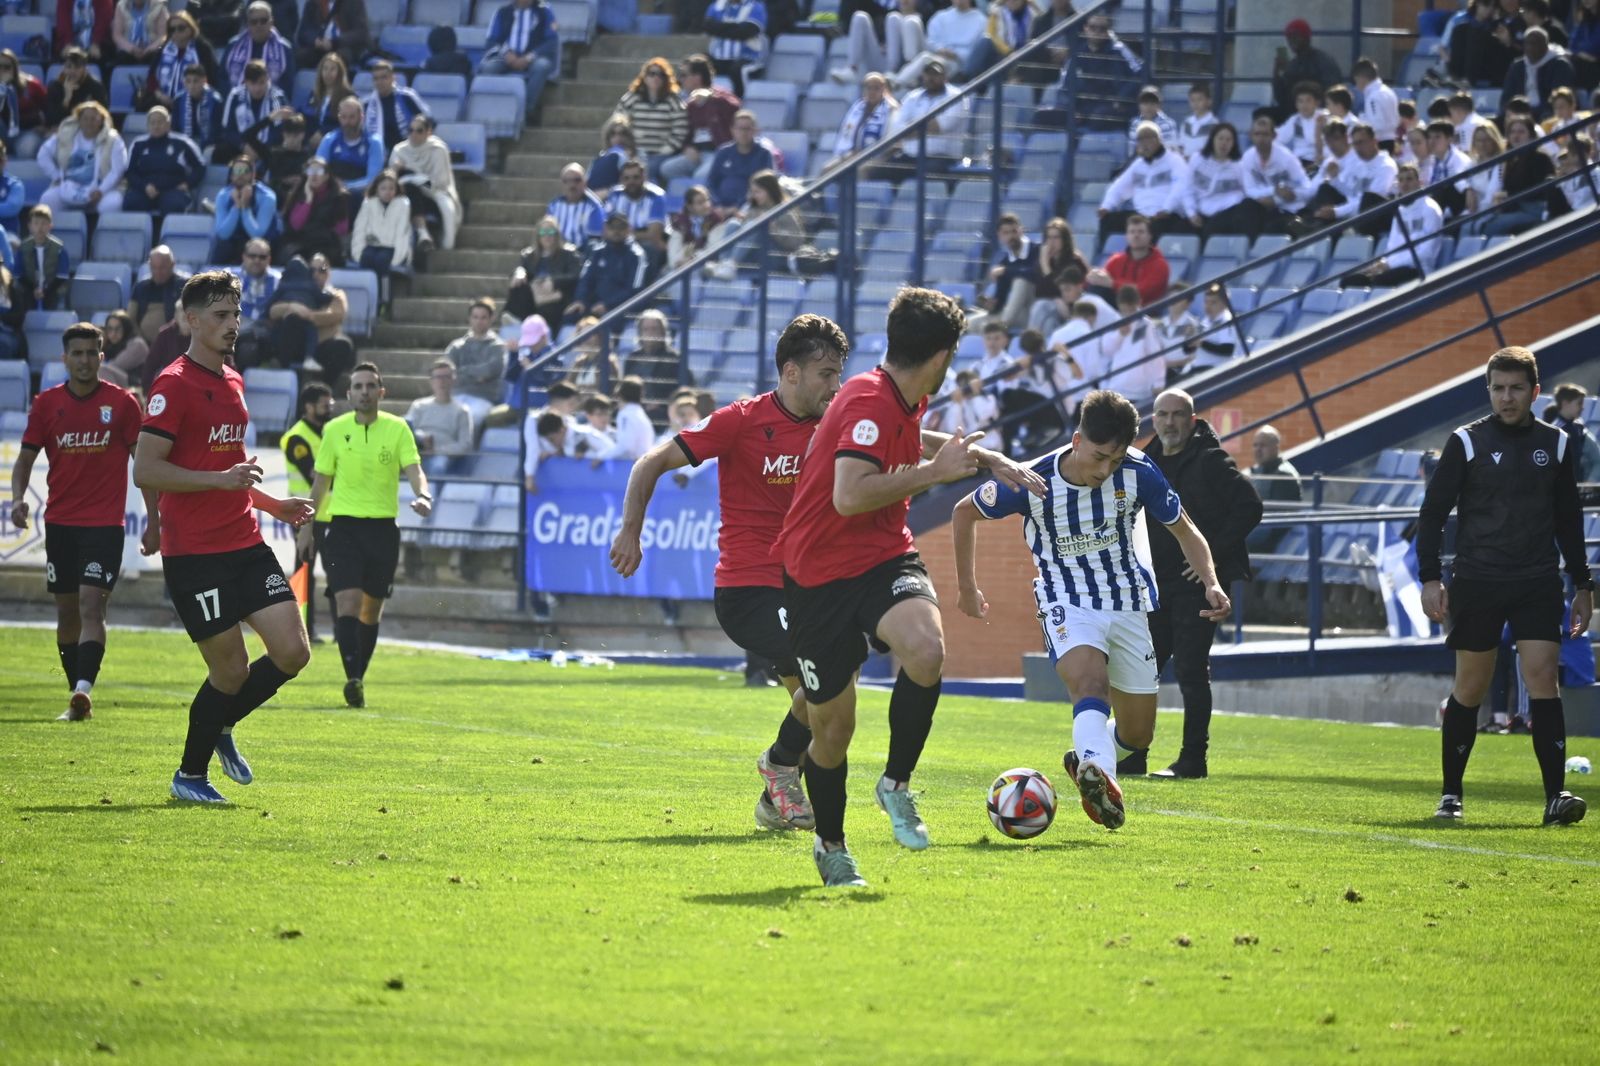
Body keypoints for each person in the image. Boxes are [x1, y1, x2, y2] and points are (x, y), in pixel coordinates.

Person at [773, 287, 1045, 886]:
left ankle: (895, 785)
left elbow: (904, 435)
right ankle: (830, 844)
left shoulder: (898, 394)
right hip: (817, 576)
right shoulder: (869, 399)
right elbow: (848, 495)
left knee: (925, 650)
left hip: (883, 556)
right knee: (833, 731)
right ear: (942, 355)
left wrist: (985, 456)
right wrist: (934, 474)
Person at [954, 389, 1230, 829]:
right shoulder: (1032, 479)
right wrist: (967, 588)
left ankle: (1088, 758)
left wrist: (1212, 582)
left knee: (1138, 735)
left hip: (1127, 601)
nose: (1106, 470)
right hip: (1066, 599)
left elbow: (1185, 529)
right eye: (1100, 456)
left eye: (1116, 460)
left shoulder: (1140, 473)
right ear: (1077, 439)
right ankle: (1099, 775)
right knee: (1089, 682)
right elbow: (963, 512)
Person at [610, 314, 844, 830]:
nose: (836, 384)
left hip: (804, 587)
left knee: (821, 705)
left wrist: (977, 457)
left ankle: (774, 800)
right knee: (831, 674)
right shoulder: (740, 420)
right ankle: (781, 767)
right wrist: (631, 530)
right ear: (791, 373)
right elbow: (649, 462)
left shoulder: (836, 422)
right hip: (749, 589)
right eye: (826, 373)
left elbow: (907, 432)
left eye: (839, 372)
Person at [132, 270, 314, 804]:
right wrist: (217, 481)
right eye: (220, 315)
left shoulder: (232, 379)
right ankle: (189, 776)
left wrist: (274, 504)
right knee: (230, 670)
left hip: (245, 542)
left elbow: (230, 468)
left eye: (236, 314)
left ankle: (221, 723)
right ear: (191, 320)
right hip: (197, 555)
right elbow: (146, 469)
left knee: (293, 653)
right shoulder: (172, 384)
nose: (233, 325)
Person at [1418, 346, 1590, 825]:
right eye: (1498, 388)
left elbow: (1568, 520)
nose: (1507, 397)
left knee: (1543, 677)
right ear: (1488, 390)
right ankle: (1451, 796)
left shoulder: (1555, 443)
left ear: (1535, 392)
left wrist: (1582, 583)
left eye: (1516, 388)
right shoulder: (1466, 442)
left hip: (1537, 579)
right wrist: (1430, 577)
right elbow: (1432, 514)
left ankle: (1556, 796)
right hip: (1477, 581)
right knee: (1471, 687)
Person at [10, 322, 144, 721]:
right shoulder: (48, 404)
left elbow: (145, 466)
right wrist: (17, 499)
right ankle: (76, 693)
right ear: (64, 358)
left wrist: (157, 519)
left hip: (105, 525)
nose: (85, 360)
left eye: (92, 353)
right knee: (66, 612)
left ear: (102, 357)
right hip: (60, 525)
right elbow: (24, 461)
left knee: (90, 606)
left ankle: (85, 688)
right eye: (78, 353)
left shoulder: (122, 405)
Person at [1139, 388, 1262, 778]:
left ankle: (1193, 759)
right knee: (1141, 670)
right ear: (1153, 420)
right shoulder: (1145, 461)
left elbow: (1250, 506)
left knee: (1191, 669)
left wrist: (1212, 557)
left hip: (1197, 585)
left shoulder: (1211, 460)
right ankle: (1130, 753)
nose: (1170, 422)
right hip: (1155, 584)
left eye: (1178, 415)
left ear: (1192, 420)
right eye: (1163, 415)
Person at [298, 361, 430, 709]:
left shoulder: (398, 428)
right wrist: (306, 527)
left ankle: (357, 676)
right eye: (358, 386)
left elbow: (414, 469)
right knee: (348, 602)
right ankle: (352, 677)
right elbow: (320, 482)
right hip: (343, 528)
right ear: (349, 394)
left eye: (371, 386)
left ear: (381, 392)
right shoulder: (334, 430)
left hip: (383, 529)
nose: (365, 392)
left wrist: (423, 494)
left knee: (371, 611)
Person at [280, 380, 333, 641]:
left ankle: (340, 633)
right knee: (304, 574)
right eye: (324, 406)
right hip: (305, 517)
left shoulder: (329, 433)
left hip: (333, 515)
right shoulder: (297, 437)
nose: (329, 409)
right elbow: (314, 475)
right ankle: (301, 631)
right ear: (308, 407)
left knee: (337, 575)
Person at [1342, 164, 1444, 288]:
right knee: (1350, 280)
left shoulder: (1430, 209)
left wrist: (1390, 264)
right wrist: (1383, 263)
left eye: (1409, 179)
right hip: (1394, 266)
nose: (1404, 184)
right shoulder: (1400, 210)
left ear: (1420, 182)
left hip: (1418, 268)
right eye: (1401, 180)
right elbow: (1392, 246)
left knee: (1379, 281)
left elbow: (1426, 253)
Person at [1039, 9, 1141, 132]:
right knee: (1042, 117)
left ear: (1108, 32)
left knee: (1099, 117)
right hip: (1082, 107)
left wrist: (1121, 99)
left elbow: (1140, 73)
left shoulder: (1118, 50)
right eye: (1093, 27)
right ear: (1085, 29)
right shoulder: (1077, 54)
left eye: (1102, 29)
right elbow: (1065, 85)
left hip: (1110, 106)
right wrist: (1073, 109)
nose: (1097, 32)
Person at [1097, 122, 1188, 246]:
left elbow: (1181, 187)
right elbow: (1118, 187)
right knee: (1108, 220)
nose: (1144, 143)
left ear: (1158, 139)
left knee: (1154, 227)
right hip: (1142, 215)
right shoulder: (1138, 164)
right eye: (1140, 139)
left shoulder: (1174, 160)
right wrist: (1106, 206)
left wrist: (1167, 208)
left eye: (1148, 138)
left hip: (1166, 215)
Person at [659, 54, 740, 184]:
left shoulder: (721, 97)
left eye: (684, 75)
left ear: (697, 77)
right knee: (667, 169)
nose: (681, 79)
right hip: (696, 153)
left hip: (717, 154)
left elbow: (736, 107)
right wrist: (687, 147)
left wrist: (712, 98)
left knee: (700, 175)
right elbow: (685, 133)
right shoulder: (690, 104)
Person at [39, 101, 126, 216]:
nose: (89, 122)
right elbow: (43, 154)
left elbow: (118, 170)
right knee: (48, 199)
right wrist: (56, 176)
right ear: (79, 120)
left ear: (101, 120)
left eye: (94, 119)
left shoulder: (114, 140)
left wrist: (101, 190)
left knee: (111, 204)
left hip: (104, 189)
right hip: (68, 185)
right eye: (85, 118)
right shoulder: (65, 134)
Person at [479, 0, 560, 122]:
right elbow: (491, 41)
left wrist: (529, 57)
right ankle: (496, 111)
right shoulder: (502, 12)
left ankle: (526, 109)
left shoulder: (545, 10)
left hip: (533, 57)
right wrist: (506, 54)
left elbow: (552, 41)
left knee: (542, 66)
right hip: (505, 56)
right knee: (488, 68)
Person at [387, 114, 458, 251]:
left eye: (419, 131)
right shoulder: (400, 150)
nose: (414, 134)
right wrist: (395, 170)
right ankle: (422, 234)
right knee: (408, 188)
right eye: (410, 130)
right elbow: (390, 182)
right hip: (406, 198)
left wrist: (414, 177)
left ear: (428, 132)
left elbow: (440, 184)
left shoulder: (438, 150)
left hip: (434, 196)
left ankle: (423, 234)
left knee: (410, 184)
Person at [565, 212, 648, 327]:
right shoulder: (597, 251)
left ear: (629, 229)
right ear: (606, 229)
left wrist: (607, 304)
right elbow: (586, 279)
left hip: (621, 308)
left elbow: (634, 290)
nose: (616, 231)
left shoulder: (637, 255)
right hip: (594, 305)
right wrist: (580, 300)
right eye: (612, 227)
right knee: (569, 317)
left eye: (621, 227)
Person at [1179, 122, 1259, 240]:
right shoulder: (1197, 159)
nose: (1224, 143)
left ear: (1233, 143)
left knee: (1212, 231)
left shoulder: (1238, 166)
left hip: (1227, 213)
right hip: (1200, 211)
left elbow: (1248, 190)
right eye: (1220, 138)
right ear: (1212, 140)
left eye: (1228, 140)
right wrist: (1192, 213)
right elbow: (1187, 189)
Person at [123, 105, 205, 216]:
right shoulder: (138, 144)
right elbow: (130, 172)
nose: (156, 126)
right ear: (147, 125)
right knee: (131, 203)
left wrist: (187, 184)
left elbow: (200, 166)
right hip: (145, 190)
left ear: (168, 124)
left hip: (173, 189)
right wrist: (144, 186)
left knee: (174, 205)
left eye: (160, 122)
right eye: (153, 123)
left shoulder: (182, 142)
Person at [1480, 115, 1555, 235]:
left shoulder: (1540, 157)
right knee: (1475, 223)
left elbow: (1537, 190)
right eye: (1512, 132)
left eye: (1521, 132)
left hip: (1534, 209)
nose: (1516, 136)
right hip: (1516, 207)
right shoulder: (1510, 159)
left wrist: (1508, 195)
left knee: (1492, 227)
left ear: (1530, 135)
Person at [349, 168, 411, 310]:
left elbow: (403, 232)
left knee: (382, 262)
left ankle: (384, 301)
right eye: (383, 188)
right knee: (367, 259)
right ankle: (367, 301)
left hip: (390, 247)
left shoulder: (403, 204)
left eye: (391, 188)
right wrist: (358, 252)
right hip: (371, 245)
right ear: (376, 189)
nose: (387, 192)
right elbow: (360, 228)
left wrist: (398, 257)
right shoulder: (368, 204)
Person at [616, 58, 687, 178]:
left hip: (661, 155)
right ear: (644, 77)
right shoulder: (631, 99)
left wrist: (664, 151)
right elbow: (618, 124)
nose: (656, 78)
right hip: (634, 152)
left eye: (660, 75)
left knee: (648, 169)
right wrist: (628, 148)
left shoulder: (673, 101)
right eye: (652, 74)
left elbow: (680, 130)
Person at [1243, 111, 1313, 231]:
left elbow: (1307, 188)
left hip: (1291, 210)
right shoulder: (1248, 157)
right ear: (1251, 136)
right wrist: (1273, 191)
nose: (1261, 139)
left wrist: (1283, 198)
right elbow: (1248, 190)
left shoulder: (1287, 158)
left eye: (1265, 134)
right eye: (1257, 134)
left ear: (1274, 136)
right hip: (1264, 208)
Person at [442, 297, 507, 427]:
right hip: (456, 396)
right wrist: (476, 374)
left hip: (482, 399)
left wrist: (462, 371)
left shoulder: (498, 347)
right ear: (469, 318)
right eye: (475, 317)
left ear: (491, 319)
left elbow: (490, 371)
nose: (479, 321)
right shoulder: (456, 346)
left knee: (470, 421)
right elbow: (446, 372)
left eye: (483, 317)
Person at [507, 214, 581, 323]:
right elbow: (521, 268)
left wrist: (553, 281)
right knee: (518, 284)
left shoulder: (569, 253)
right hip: (535, 294)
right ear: (538, 236)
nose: (547, 236)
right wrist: (519, 272)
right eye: (543, 232)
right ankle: (513, 317)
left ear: (557, 234)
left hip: (555, 296)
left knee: (547, 307)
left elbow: (575, 274)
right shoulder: (529, 255)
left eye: (551, 232)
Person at [406, 357, 474, 476]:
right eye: (438, 377)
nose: (442, 382)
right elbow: (406, 430)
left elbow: (465, 445)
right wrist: (421, 439)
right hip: (417, 452)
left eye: (446, 377)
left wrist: (437, 450)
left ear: (454, 380)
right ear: (431, 381)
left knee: (438, 466)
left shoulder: (462, 411)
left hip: (442, 456)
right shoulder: (419, 406)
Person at [315, 94, 384, 211]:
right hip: (331, 190)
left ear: (361, 117)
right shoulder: (329, 139)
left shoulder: (373, 142)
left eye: (352, 117)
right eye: (344, 117)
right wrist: (334, 186)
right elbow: (317, 170)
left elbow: (373, 179)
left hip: (358, 194)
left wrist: (345, 187)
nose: (347, 122)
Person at [622, 308, 689, 425]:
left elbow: (685, 390)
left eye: (654, 329)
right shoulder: (632, 358)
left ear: (663, 332)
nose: (650, 333)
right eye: (646, 329)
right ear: (640, 333)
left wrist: (662, 403)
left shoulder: (675, 359)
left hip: (663, 413)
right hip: (635, 410)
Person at [276, 155, 347, 264]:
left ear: (326, 176)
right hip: (299, 244)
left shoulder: (338, 197)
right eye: (310, 170)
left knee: (321, 263)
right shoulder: (296, 195)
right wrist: (308, 201)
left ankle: (322, 278)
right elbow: (296, 225)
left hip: (326, 247)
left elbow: (341, 229)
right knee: (294, 260)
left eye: (318, 171)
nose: (314, 174)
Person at [604, 158, 668, 279]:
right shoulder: (615, 194)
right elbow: (605, 227)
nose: (631, 182)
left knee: (648, 248)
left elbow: (653, 235)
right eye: (626, 178)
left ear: (644, 177)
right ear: (621, 180)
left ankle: (643, 290)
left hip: (645, 242)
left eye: (635, 177)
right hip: (620, 238)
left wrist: (624, 235)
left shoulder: (657, 197)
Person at [1271, 19, 1342, 122]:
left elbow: (1332, 90)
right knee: (1262, 114)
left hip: (1317, 111)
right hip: (1293, 111)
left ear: (1306, 37)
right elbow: (1281, 98)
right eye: (1289, 38)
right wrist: (1277, 73)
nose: (1292, 41)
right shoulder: (1292, 64)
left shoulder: (1323, 60)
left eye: (1296, 36)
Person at [212, 154, 278, 264]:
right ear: (231, 175)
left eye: (245, 171)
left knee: (258, 248)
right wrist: (236, 206)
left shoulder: (267, 196)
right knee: (222, 246)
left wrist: (245, 207)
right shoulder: (223, 195)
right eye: (237, 171)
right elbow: (223, 233)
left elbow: (257, 234)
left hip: (260, 245)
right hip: (232, 242)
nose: (240, 175)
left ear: (253, 175)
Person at [1502, 27, 1579, 119]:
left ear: (1545, 45)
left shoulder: (1560, 65)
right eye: (1527, 43)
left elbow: (1559, 98)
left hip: (1547, 114)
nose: (1530, 47)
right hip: (1521, 113)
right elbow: (1506, 97)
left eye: (1534, 43)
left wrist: (1532, 113)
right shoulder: (1517, 66)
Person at [220, 58, 291, 158]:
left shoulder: (277, 97)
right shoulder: (235, 96)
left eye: (261, 83)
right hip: (241, 147)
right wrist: (243, 146)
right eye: (253, 83)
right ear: (245, 82)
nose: (257, 88)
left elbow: (280, 132)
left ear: (268, 79)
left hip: (268, 150)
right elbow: (228, 131)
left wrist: (259, 150)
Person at [978, 212, 1038, 331]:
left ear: (1021, 231)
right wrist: (992, 305)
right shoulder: (1004, 263)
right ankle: (999, 327)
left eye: (1014, 231)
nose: (1011, 236)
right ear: (1000, 236)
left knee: (1021, 281)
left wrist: (1006, 271)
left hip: (1035, 310)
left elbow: (1034, 273)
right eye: (1006, 233)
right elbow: (1001, 298)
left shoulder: (1037, 250)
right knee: (969, 323)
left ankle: (1001, 326)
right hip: (1016, 315)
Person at [707, 108, 774, 209]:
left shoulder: (764, 154)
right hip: (719, 208)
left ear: (755, 131)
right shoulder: (723, 152)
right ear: (732, 130)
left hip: (750, 207)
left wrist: (738, 207)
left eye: (747, 128)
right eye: (739, 128)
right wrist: (718, 205)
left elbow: (765, 186)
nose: (743, 133)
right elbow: (711, 182)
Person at [224, 2, 296, 94]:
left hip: (272, 104)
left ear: (271, 22)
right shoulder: (233, 46)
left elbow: (287, 85)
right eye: (254, 22)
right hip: (237, 102)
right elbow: (223, 78)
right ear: (248, 24)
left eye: (263, 21)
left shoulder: (284, 49)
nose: (259, 25)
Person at [1102, 214, 1170, 307]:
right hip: (1116, 310)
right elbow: (1102, 280)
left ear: (1150, 236)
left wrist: (1113, 283)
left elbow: (1142, 292)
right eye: (1132, 232)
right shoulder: (1115, 260)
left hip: (1146, 314)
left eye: (1141, 232)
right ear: (1126, 236)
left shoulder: (1160, 265)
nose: (1136, 235)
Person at [14, 206, 72, 314]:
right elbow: (18, 274)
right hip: (29, 290)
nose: (40, 227)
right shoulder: (23, 248)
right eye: (36, 223)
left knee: (55, 297)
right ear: (29, 226)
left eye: (44, 223)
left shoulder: (59, 249)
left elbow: (62, 276)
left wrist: (45, 290)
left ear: (50, 226)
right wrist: (33, 289)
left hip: (52, 290)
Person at [361, 59, 427, 152]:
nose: (380, 82)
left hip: (410, 151)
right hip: (379, 153)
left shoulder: (407, 97)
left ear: (393, 78)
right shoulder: (366, 104)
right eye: (376, 79)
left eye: (384, 77)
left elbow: (427, 122)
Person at [830, 72, 898, 164]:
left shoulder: (890, 110)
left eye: (876, 88)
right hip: (852, 156)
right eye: (869, 88)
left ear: (883, 90)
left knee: (859, 170)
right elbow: (845, 134)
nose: (872, 92)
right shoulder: (857, 107)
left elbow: (892, 143)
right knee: (828, 169)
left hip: (878, 159)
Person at [703, 0, 767, 96]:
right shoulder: (717, 5)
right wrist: (737, 26)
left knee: (738, 71)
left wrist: (719, 28)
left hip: (747, 58)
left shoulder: (755, 6)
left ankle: (739, 105)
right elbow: (708, 27)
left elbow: (748, 31)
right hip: (717, 57)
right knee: (698, 64)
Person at [128, 245, 188, 345]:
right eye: (154, 268)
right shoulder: (141, 287)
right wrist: (141, 340)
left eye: (162, 268)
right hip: (142, 345)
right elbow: (130, 318)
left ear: (172, 265)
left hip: (174, 343)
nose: (158, 272)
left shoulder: (184, 286)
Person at [1546, 382, 1600, 483]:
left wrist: (1590, 482)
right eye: (1579, 403)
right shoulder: (1553, 431)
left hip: (1579, 487)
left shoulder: (1580, 430)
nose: (1582, 407)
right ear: (1565, 403)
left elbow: (1597, 458)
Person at [295, 0, 369, 72]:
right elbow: (303, 33)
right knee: (296, 57)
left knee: (337, 58)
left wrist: (334, 43)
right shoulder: (313, 3)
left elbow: (361, 32)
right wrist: (315, 41)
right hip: (320, 47)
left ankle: (339, 83)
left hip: (345, 46)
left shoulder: (354, 2)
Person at [168, 62, 224, 154]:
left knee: (208, 153)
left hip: (209, 144)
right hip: (185, 141)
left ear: (204, 81)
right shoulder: (178, 100)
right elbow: (175, 128)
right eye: (188, 81)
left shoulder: (215, 100)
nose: (192, 85)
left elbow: (217, 131)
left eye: (195, 81)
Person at [45, 48, 108, 128]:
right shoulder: (55, 87)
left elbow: (103, 115)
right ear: (63, 68)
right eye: (69, 67)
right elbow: (51, 120)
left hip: (88, 129)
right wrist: (67, 99)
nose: (73, 71)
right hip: (62, 129)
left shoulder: (96, 87)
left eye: (77, 67)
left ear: (85, 69)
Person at [547, 162, 606, 247]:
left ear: (585, 182)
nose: (572, 185)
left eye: (577, 180)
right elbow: (549, 232)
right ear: (562, 184)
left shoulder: (593, 206)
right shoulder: (554, 205)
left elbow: (595, 240)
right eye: (566, 181)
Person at [1350, 57, 1400, 151]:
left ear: (1361, 78)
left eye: (1356, 81)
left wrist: (1362, 120)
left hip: (1380, 143)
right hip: (1391, 140)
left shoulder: (1373, 97)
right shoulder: (1388, 91)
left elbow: (1377, 125)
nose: (1356, 86)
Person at [1276, 82, 1327, 172]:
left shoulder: (1325, 117)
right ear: (1296, 104)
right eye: (1300, 101)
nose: (1304, 105)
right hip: (1298, 163)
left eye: (1308, 101)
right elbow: (1279, 138)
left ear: (1317, 103)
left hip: (1320, 163)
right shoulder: (1295, 120)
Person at [110, 0, 171, 71]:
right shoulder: (121, 6)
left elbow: (163, 36)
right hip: (128, 51)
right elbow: (117, 35)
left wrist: (149, 49)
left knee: (157, 58)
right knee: (119, 60)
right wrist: (132, 49)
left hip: (152, 51)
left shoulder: (159, 6)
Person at [302, 51, 352, 134]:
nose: (328, 73)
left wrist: (323, 133)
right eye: (325, 69)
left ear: (339, 73)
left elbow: (348, 124)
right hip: (311, 139)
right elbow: (305, 113)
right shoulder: (314, 94)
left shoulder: (348, 96)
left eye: (332, 69)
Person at [98, 308, 150, 385]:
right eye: (110, 329)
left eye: (118, 329)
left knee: (101, 370)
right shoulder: (111, 347)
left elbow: (115, 366)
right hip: (121, 383)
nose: (113, 334)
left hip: (138, 386)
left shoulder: (137, 344)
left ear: (126, 328)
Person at [1177, 81, 1218, 160]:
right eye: (1192, 100)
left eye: (1199, 100)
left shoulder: (1215, 125)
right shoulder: (1186, 122)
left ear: (1209, 101)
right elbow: (1181, 146)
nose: (1196, 103)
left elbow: (1211, 151)